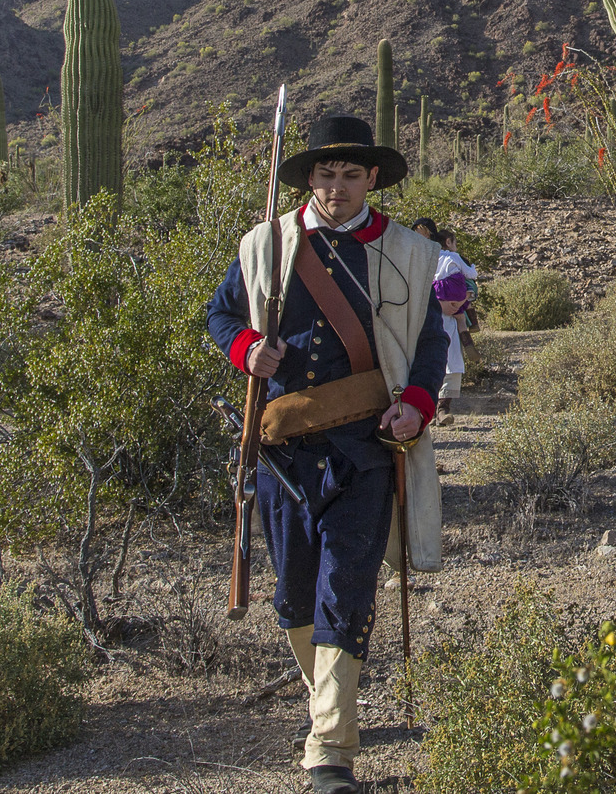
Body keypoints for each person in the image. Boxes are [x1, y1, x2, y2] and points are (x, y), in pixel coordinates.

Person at [206, 115, 450, 794]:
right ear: (309, 178)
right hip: (282, 450)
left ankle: (330, 750)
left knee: (346, 588)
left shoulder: (406, 250)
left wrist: (417, 403)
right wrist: (245, 349)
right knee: (293, 596)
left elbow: (428, 344)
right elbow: (219, 315)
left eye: (350, 174)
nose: (337, 187)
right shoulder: (267, 244)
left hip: (368, 446)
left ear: (372, 178)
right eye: (325, 174)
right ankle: (330, 706)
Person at [431, 230, 475, 424]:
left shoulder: (427, 258)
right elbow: (471, 275)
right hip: (440, 314)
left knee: (442, 361)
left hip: (433, 315)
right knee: (450, 360)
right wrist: (460, 301)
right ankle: (437, 408)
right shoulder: (453, 257)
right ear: (449, 242)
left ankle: (439, 409)